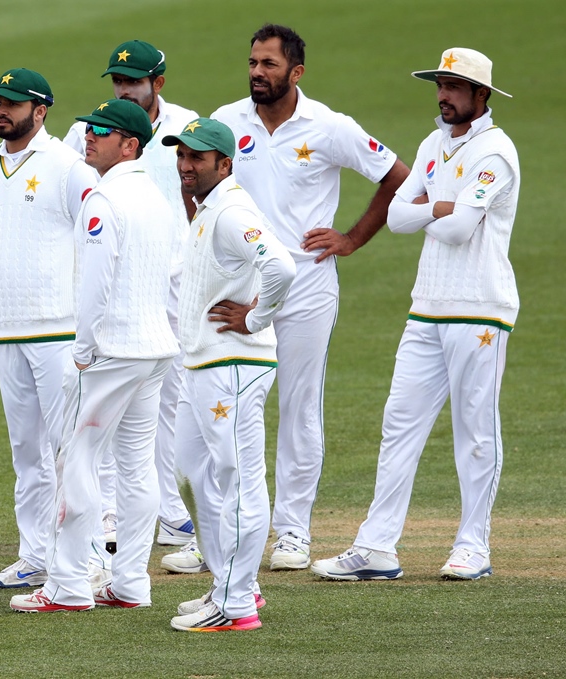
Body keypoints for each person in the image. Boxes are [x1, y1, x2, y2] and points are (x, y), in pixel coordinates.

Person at [204, 24, 410, 571]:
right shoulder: (226, 122)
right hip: (240, 293)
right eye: (252, 63)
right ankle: (228, 530)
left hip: (305, 290)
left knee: (297, 408)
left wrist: (351, 238)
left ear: (295, 73)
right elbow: (192, 181)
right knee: (228, 405)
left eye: (269, 65)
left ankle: (292, 532)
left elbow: (399, 179)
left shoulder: (330, 127)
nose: (256, 73)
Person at [311, 48, 519, 582]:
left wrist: (431, 210)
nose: (444, 94)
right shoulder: (431, 145)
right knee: (398, 425)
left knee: (475, 431)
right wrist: (441, 207)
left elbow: (452, 229)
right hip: (425, 307)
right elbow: (401, 217)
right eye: (441, 84)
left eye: (455, 86)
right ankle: (377, 547)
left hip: (480, 311)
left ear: (482, 95)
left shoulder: (495, 153)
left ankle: (474, 544)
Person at [10, 99, 177, 613]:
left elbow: (95, 284)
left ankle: (67, 585)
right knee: (136, 465)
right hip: (153, 349)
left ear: (130, 144)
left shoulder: (104, 200)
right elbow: (171, 271)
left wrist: (83, 349)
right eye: (90, 128)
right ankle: (129, 582)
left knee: (76, 460)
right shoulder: (155, 196)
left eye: (102, 132)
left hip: (110, 351)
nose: (89, 136)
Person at [64, 39, 199, 552]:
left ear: (157, 83)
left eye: (132, 82)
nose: (123, 89)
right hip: (141, 302)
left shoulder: (184, 127)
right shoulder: (94, 146)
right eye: (117, 81)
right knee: (136, 442)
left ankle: (83, 567)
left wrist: (83, 345)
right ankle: (129, 568)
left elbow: (202, 193)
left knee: (87, 448)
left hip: (152, 294)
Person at [162, 118, 295, 632]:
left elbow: (281, 267)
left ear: (224, 162)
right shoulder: (208, 208)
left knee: (236, 480)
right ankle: (230, 583)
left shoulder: (231, 211)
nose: (185, 165)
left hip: (232, 365)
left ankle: (237, 603)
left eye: (197, 158)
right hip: (206, 364)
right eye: (181, 155)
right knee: (199, 471)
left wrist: (255, 317)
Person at [0, 68, 98, 588]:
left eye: (13, 103)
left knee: (71, 450)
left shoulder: (70, 167)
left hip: (59, 330)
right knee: (27, 454)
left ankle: (88, 557)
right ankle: (36, 554)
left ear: (40, 110)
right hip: (7, 327)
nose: (2, 110)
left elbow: (95, 242)